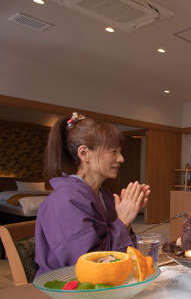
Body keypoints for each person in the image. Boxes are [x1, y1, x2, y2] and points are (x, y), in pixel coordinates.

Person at [34, 112, 151, 275]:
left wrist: (127, 217)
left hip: (108, 282)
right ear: (84, 153)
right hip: (69, 289)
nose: (121, 159)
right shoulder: (64, 201)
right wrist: (123, 221)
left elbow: (124, 253)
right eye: (113, 151)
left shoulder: (106, 196)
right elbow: (87, 266)